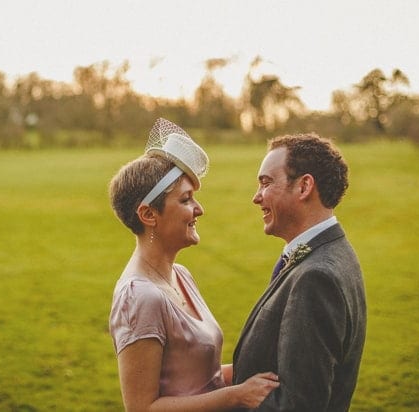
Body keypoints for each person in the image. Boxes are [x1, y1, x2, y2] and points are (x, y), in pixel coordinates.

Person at [108, 118, 280, 411]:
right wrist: (236, 395)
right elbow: (142, 408)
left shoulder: (181, 276)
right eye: (186, 199)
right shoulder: (139, 297)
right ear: (149, 214)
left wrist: (262, 374)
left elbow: (201, 379)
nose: (199, 209)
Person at [232, 133, 367, 411]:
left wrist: (230, 401)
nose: (256, 197)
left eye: (266, 183)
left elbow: (298, 405)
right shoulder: (336, 250)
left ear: (304, 186)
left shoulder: (316, 278)